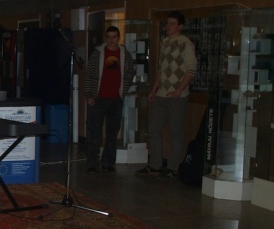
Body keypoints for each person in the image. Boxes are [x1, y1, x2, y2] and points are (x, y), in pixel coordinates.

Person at [137, 11, 197, 178]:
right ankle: (155, 164)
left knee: (176, 132)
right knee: (153, 129)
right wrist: (154, 90)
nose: (168, 27)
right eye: (167, 23)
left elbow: (191, 70)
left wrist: (178, 90)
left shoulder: (186, 43)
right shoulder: (164, 42)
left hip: (177, 96)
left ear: (180, 26)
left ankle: (173, 168)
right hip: (162, 94)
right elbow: (161, 70)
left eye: (172, 24)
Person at [84, 25, 135, 173]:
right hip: (98, 98)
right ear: (106, 38)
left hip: (116, 99)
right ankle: (92, 163)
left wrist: (123, 90)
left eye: (114, 37)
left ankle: (108, 162)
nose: (111, 40)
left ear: (118, 38)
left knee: (112, 133)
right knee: (95, 132)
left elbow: (129, 73)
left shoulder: (125, 55)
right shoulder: (97, 54)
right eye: (109, 37)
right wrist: (89, 94)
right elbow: (89, 75)